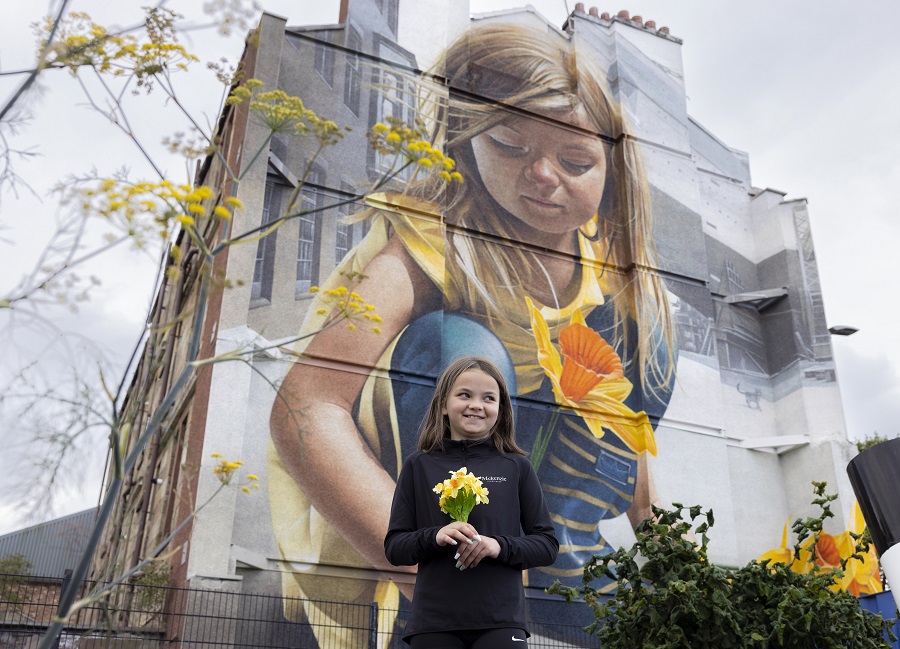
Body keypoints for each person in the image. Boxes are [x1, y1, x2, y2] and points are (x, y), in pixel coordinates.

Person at [268, 19, 676, 642]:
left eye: (574, 160)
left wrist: (673, 562)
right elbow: (307, 403)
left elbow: (631, 442)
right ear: (467, 141)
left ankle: (553, 571)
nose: (543, 174)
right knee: (462, 352)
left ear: (612, 172)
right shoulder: (437, 243)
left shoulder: (612, 284)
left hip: (518, 483)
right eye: (511, 146)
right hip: (415, 481)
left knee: (646, 331)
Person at [384, 356, 558, 647]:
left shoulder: (516, 466)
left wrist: (498, 545)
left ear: (500, 410)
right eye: (464, 394)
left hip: (501, 622)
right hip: (433, 623)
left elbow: (547, 545)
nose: (476, 405)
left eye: (488, 398)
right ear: (443, 405)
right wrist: (435, 536)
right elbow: (395, 548)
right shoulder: (419, 465)